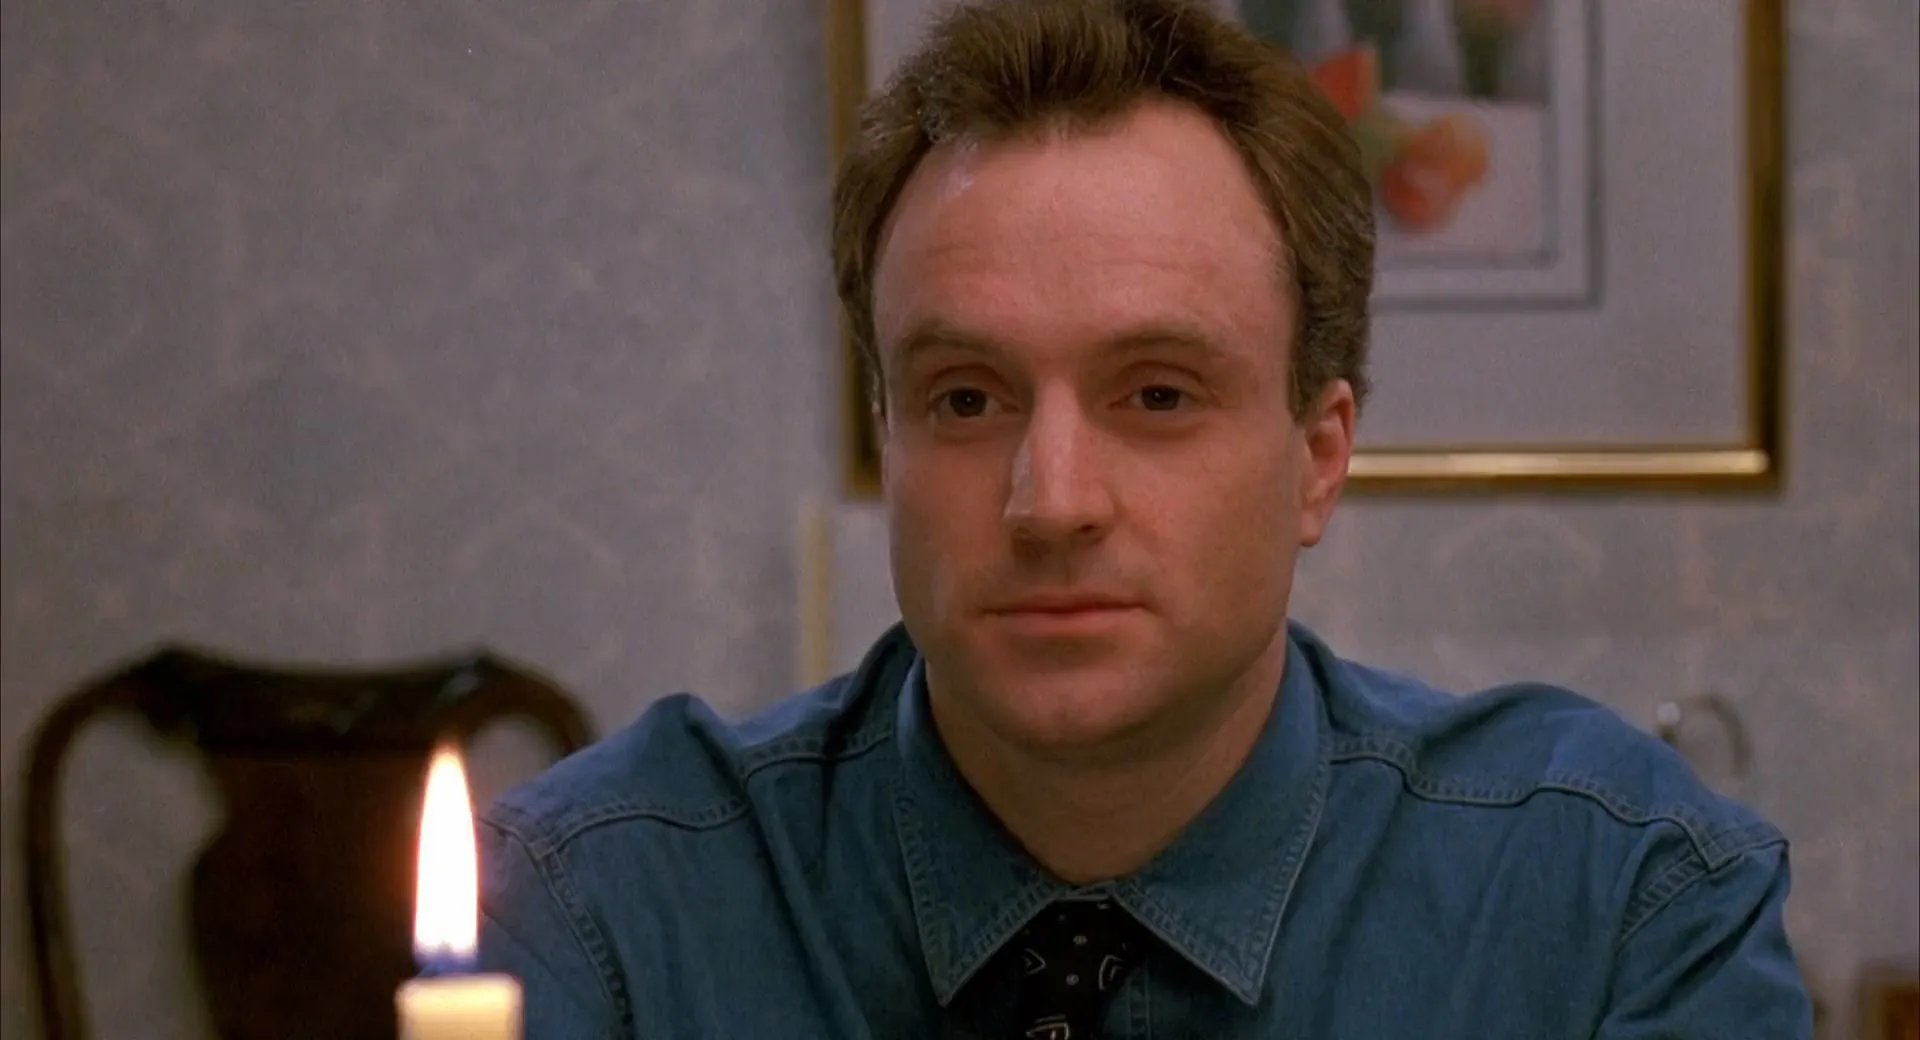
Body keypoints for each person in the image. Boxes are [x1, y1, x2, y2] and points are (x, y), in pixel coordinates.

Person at [475, 1, 1815, 1036]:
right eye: (965, 399)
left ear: (1318, 458)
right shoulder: (607, 907)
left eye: (1158, 394)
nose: (1051, 502)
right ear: (890, 438)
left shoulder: (1612, 901)